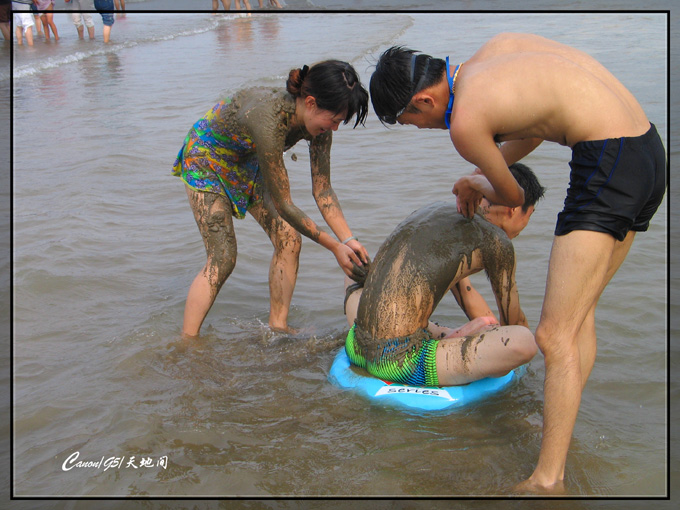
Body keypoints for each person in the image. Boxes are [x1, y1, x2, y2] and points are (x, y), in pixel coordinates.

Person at [369, 34, 666, 492]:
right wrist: (480, 174)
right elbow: (534, 127)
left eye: (411, 121)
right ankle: (563, 441)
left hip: (606, 161)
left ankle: (548, 479)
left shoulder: (464, 123)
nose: (419, 129)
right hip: (647, 151)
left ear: (424, 100)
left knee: (553, 335)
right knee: (577, 318)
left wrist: (477, 184)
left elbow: (514, 196)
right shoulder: (493, 54)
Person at [173, 60, 370, 338]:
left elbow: (323, 190)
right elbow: (284, 204)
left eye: (340, 122)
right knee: (223, 257)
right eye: (335, 120)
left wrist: (349, 241)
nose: (335, 128)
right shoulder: (269, 117)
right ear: (311, 102)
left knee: (289, 237)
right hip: (207, 158)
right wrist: (334, 247)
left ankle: (278, 327)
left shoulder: (319, 127)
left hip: (248, 160)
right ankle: (188, 342)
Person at [343, 163, 544, 387]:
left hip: (357, 344)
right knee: (525, 342)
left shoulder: (443, 212)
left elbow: (465, 293)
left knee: (357, 277)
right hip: (400, 363)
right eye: (530, 214)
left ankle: (443, 335)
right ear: (514, 209)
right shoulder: (498, 241)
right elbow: (512, 321)